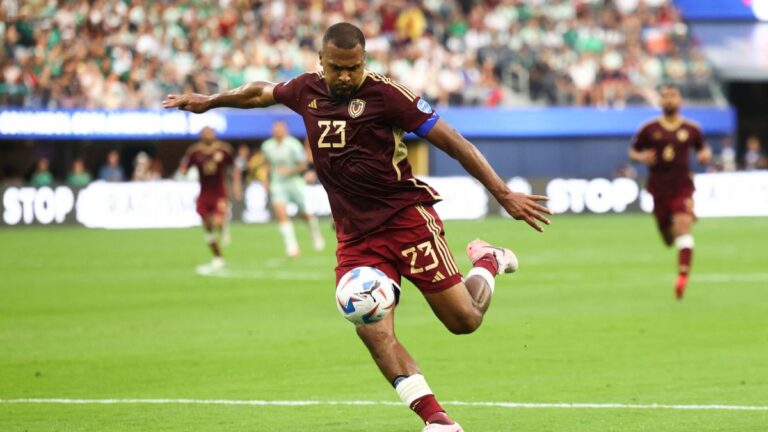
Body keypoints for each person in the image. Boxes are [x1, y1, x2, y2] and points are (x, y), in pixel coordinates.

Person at [163, 23, 551, 432]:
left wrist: (502, 193)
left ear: (364, 61)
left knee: (464, 322)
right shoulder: (305, 90)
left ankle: (488, 260)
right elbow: (260, 92)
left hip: (406, 221)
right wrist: (211, 101)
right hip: (355, 236)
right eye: (336, 68)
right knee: (371, 324)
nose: (345, 77)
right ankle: (436, 420)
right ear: (321, 62)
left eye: (353, 67)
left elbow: (455, 143)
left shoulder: (388, 96)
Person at [629, 84, 711, 300]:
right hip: (658, 188)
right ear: (660, 102)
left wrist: (704, 155)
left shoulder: (692, 129)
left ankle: (682, 277)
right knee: (668, 238)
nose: (669, 100)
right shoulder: (649, 129)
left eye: (673, 96)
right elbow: (633, 151)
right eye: (665, 97)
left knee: (684, 227)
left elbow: (703, 148)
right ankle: (675, 230)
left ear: (680, 100)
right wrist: (642, 157)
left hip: (682, 186)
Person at [179, 126, 242, 271]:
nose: (208, 135)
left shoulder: (224, 150)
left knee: (218, 222)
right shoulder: (195, 151)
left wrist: (236, 186)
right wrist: (183, 170)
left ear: (214, 134)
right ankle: (218, 256)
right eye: (205, 133)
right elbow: (184, 167)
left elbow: (235, 168)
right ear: (201, 135)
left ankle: (224, 227)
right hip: (204, 193)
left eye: (210, 132)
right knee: (207, 226)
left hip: (219, 192)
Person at [261, 120, 326, 257]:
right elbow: (266, 164)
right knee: (280, 212)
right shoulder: (267, 146)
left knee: (304, 214)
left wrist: (289, 171)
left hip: (295, 182)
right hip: (278, 184)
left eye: (280, 128)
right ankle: (292, 246)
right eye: (275, 129)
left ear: (285, 130)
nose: (277, 131)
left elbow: (303, 165)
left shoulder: (293, 145)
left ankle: (315, 233)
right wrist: (265, 180)